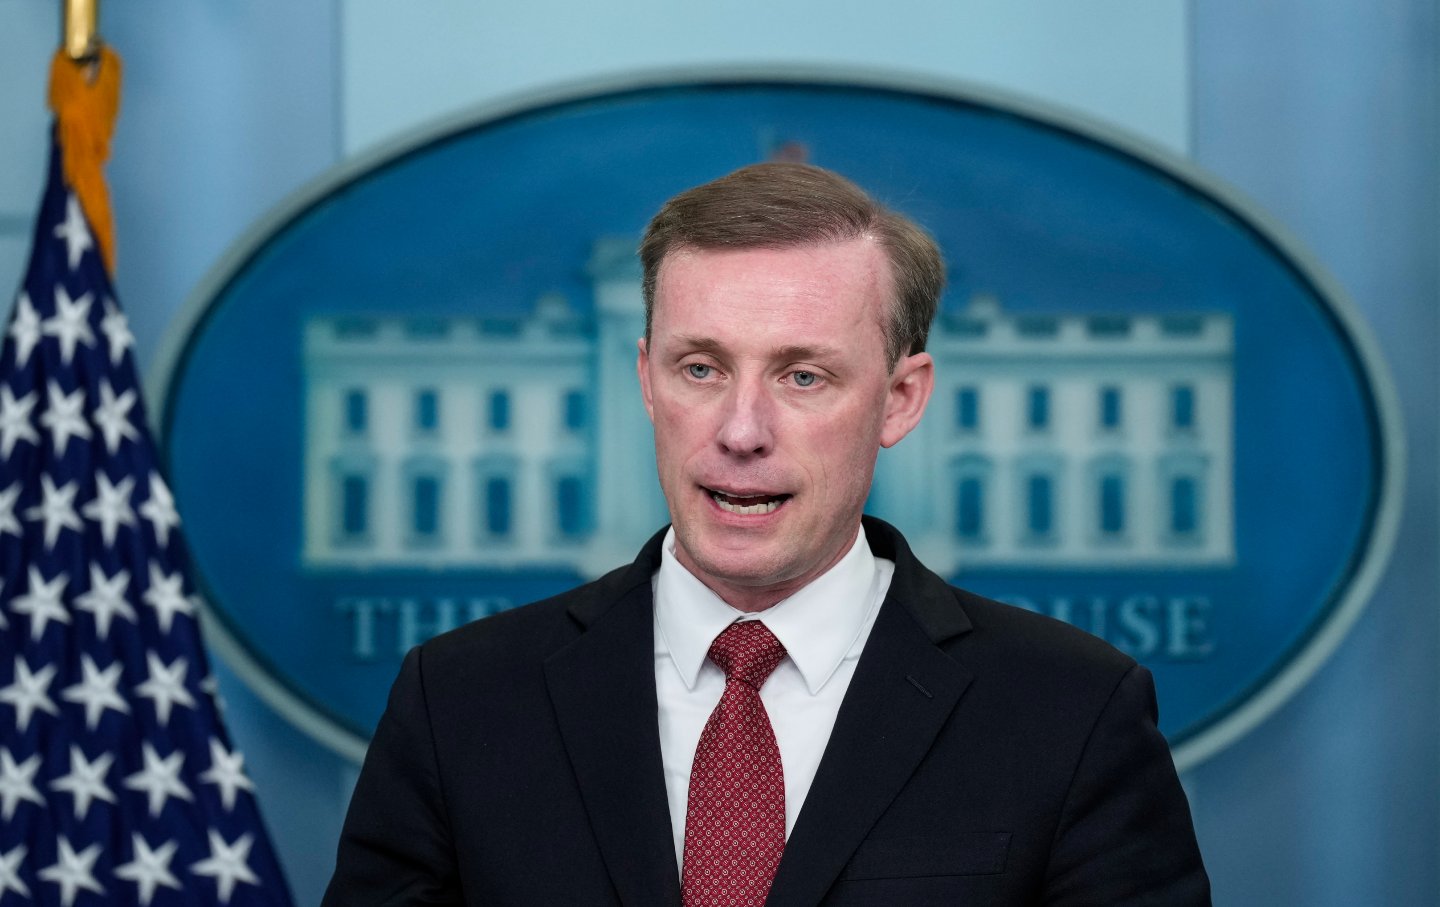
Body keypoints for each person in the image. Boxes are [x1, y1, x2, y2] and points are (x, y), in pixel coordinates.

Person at [322, 162, 1210, 906]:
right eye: (700, 367)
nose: (740, 429)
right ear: (644, 378)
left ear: (900, 399)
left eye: (803, 375)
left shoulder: (1073, 711)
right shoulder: (461, 701)